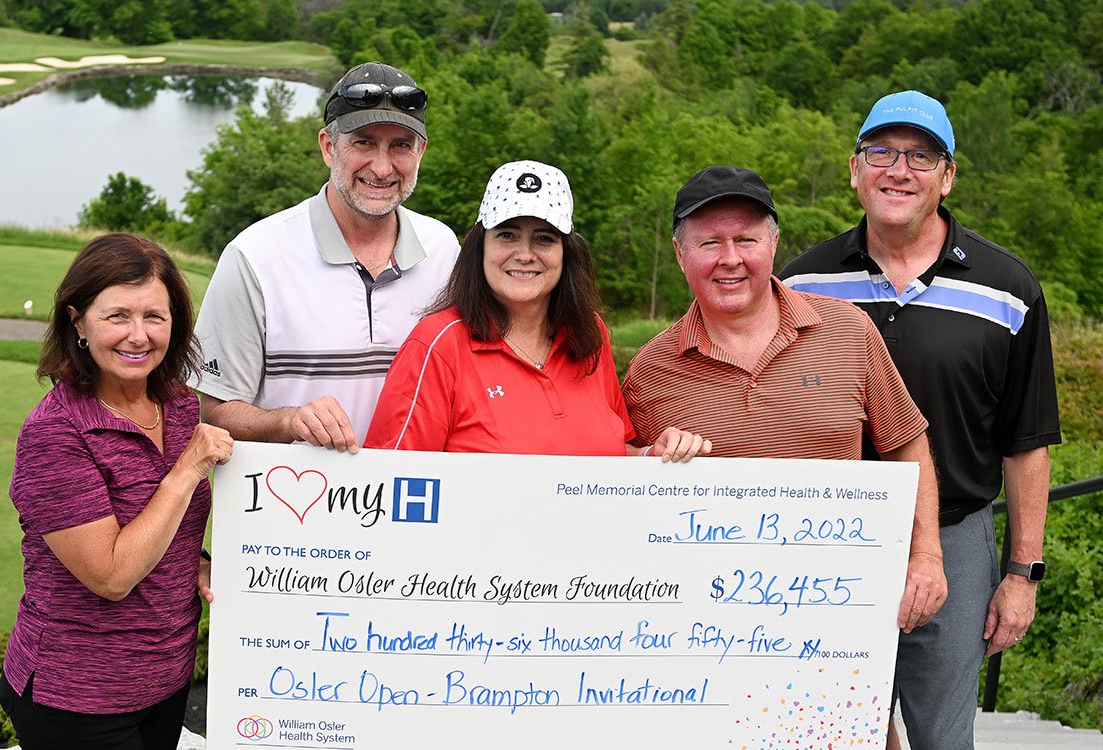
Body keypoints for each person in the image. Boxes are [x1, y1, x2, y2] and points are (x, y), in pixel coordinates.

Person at [781, 91, 1061, 750]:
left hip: (956, 536)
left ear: (948, 175)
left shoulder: (1007, 289)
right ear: (855, 169)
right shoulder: (800, 284)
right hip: (831, 540)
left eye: (920, 156)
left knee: (942, 737)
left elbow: (1027, 444)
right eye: (881, 152)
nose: (898, 170)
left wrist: (1022, 576)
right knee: (839, 731)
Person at [621, 164, 947, 636]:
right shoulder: (651, 371)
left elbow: (906, 446)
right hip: (704, 633)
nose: (729, 259)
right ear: (679, 253)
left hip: (837, 613)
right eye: (709, 243)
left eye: (747, 240)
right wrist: (648, 457)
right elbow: (619, 493)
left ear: (773, 244)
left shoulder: (848, 331)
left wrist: (925, 555)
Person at [0, 233, 234, 750]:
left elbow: (166, 528)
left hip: (167, 677)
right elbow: (111, 575)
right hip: (77, 696)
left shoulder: (177, 404)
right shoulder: (55, 433)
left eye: (155, 316)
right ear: (77, 321)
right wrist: (187, 468)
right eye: (117, 316)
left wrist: (196, 560)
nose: (138, 335)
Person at [192, 61, 459, 454]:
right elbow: (211, 411)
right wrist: (288, 420)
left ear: (421, 151)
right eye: (363, 142)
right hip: (300, 505)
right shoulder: (255, 255)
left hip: (412, 505)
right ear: (329, 147)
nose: (382, 167)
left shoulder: (444, 249)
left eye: (400, 145)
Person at [365, 159, 707, 460]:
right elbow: (391, 478)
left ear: (566, 252)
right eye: (507, 235)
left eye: (544, 238)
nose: (525, 254)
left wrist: (652, 455)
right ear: (480, 245)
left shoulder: (589, 334)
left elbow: (608, 457)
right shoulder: (437, 344)